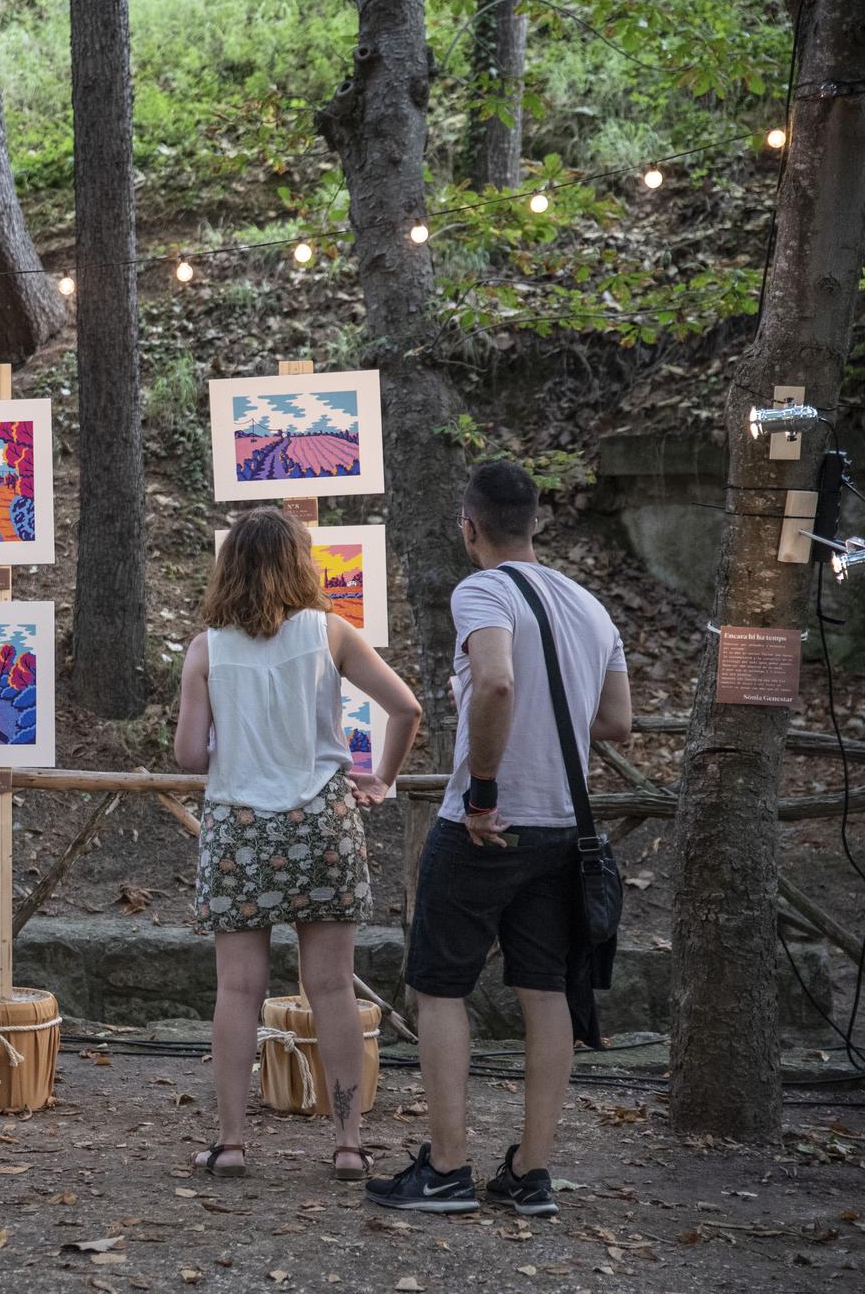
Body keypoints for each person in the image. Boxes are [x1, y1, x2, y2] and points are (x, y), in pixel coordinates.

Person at [367, 460, 629, 1218]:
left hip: (489, 824)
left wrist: (482, 793)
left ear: (469, 527)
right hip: (564, 830)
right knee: (545, 989)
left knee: (437, 984)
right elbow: (616, 720)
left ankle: (447, 1166)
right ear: (537, 522)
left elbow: (497, 681)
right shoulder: (588, 605)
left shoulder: (481, 589)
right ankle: (531, 1172)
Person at [173, 508, 420, 1183]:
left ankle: (230, 1142)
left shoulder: (206, 649)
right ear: (300, 563)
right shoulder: (330, 633)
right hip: (321, 822)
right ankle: (346, 1142)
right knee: (333, 985)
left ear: (227, 567)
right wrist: (384, 776)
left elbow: (190, 754)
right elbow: (405, 707)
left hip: (239, 829)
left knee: (237, 987)